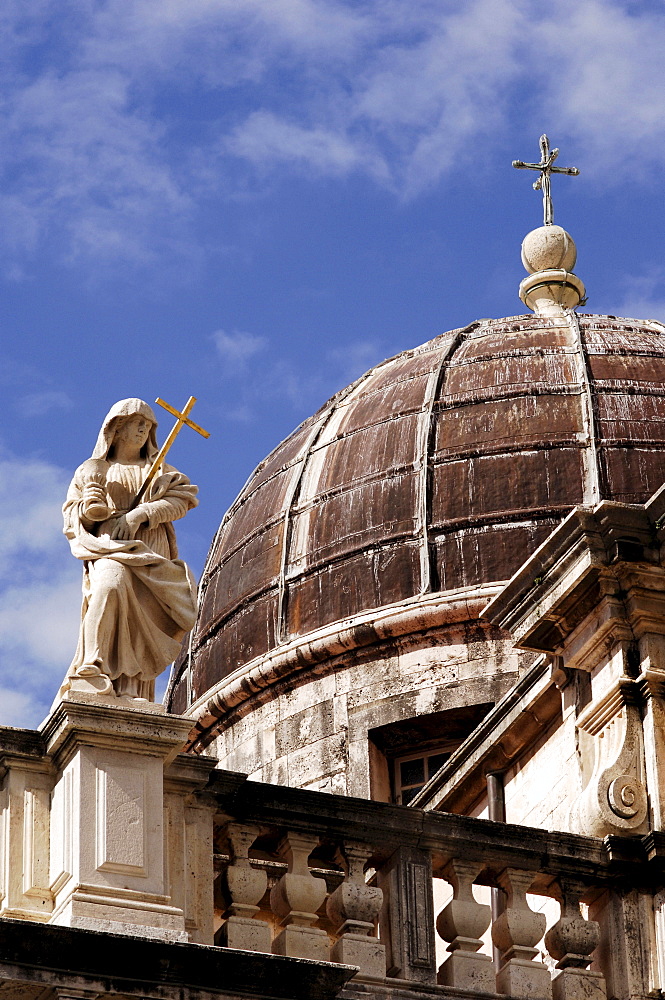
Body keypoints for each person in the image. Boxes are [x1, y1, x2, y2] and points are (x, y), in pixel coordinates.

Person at [59, 398, 198, 702]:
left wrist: (140, 514)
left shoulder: (159, 469)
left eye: (147, 425)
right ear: (117, 428)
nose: (141, 430)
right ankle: (91, 667)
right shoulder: (94, 469)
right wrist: (89, 509)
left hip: (150, 550)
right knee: (110, 586)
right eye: (136, 423)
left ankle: (130, 689)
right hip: (110, 547)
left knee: (142, 617)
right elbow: (71, 514)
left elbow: (182, 499)